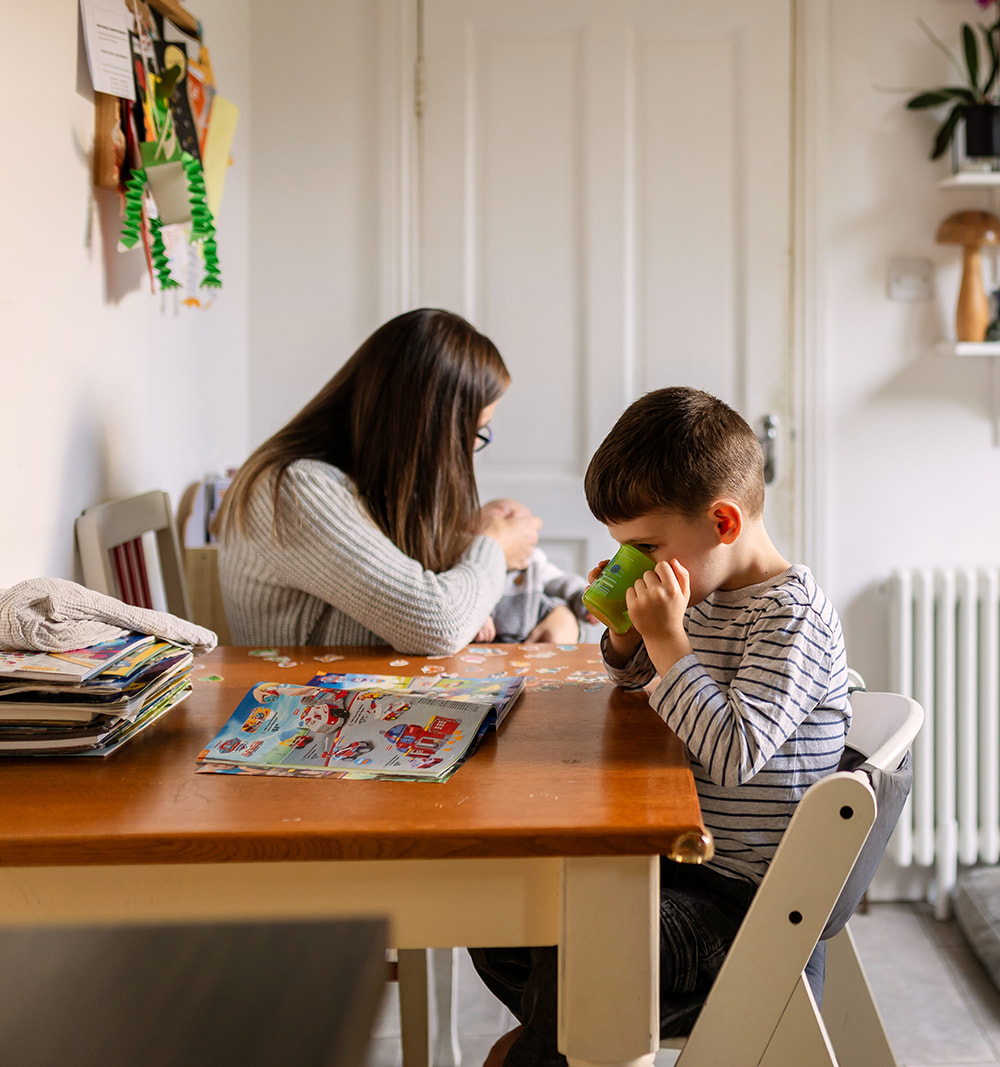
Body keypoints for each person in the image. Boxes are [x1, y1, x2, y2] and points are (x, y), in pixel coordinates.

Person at [470, 387, 852, 1066]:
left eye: (645, 545)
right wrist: (626, 637)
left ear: (724, 522)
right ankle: (556, 1035)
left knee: (587, 942)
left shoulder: (791, 620)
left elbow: (734, 750)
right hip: (683, 865)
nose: (635, 564)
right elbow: (637, 682)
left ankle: (553, 1043)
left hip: (744, 904)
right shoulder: (704, 590)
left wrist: (670, 638)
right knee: (496, 918)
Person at [216, 309, 578, 654]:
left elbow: (424, 585)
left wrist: (558, 613)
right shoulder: (295, 490)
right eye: (474, 433)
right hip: (302, 707)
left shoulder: (366, 481)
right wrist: (494, 547)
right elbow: (438, 624)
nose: (470, 450)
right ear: (426, 429)